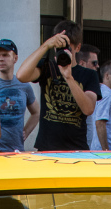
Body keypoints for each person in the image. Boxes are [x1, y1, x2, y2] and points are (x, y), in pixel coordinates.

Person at [17, 19, 101, 152]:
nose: (63, 51)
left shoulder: (89, 75)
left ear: (78, 48)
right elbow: (21, 75)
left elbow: (88, 109)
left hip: (76, 149)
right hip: (47, 148)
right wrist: (46, 46)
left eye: (68, 48)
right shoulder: (48, 67)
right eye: (59, 47)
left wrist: (68, 77)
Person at [0, 39, 38, 152]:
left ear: (15, 58)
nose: (1, 59)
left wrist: (26, 131)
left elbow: (36, 112)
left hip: (16, 149)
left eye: (6, 55)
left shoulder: (24, 85)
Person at [90, 59, 111, 151]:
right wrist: (106, 151)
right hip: (107, 155)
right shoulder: (106, 95)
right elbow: (100, 123)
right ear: (107, 76)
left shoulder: (102, 92)